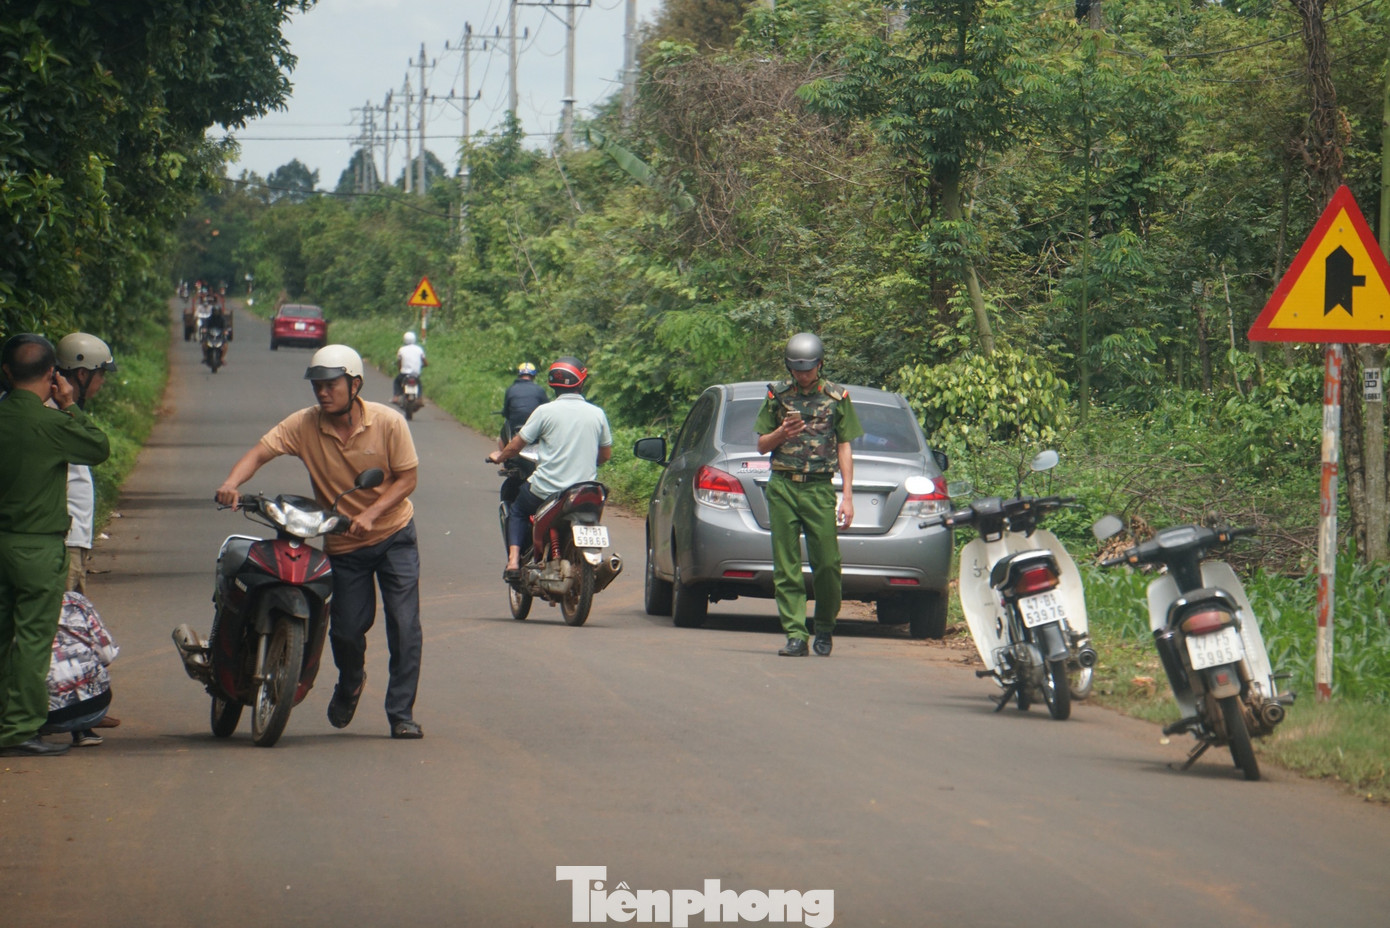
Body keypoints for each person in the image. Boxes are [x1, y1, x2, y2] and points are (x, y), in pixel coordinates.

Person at [214, 345, 425, 739]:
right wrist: (231, 484)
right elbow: (260, 453)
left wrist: (371, 514)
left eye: (331, 385)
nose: (323, 393)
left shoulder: (389, 422)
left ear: (355, 385)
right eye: (318, 386)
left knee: (405, 624)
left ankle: (401, 714)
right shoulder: (305, 424)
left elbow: (407, 479)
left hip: (393, 534)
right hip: (345, 544)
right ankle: (351, 681)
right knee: (345, 630)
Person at [0, 334, 111, 757]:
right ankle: (20, 727)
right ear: (52, 375)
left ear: (6, 372)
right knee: (33, 638)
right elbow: (98, 447)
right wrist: (69, 406)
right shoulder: (52, 424)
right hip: (37, 548)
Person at [754, 333, 863, 658]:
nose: (803, 376)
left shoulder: (837, 397)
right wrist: (781, 433)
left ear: (820, 364)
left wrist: (847, 496)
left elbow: (844, 445)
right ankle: (795, 634)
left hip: (818, 487)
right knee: (786, 565)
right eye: (797, 370)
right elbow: (761, 445)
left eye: (808, 369)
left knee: (827, 564)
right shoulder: (776, 395)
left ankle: (825, 626)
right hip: (783, 485)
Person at [487, 357, 612, 579]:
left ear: (553, 384)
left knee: (518, 510)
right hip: (585, 490)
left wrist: (500, 456)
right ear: (581, 382)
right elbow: (604, 455)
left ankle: (513, 562)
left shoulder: (544, 412)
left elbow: (516, 446)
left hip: (546, 490)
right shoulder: (597, 413)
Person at [54, 333, 118, 595]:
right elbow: (98, 447)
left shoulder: (64, 410)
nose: (102, 382)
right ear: (82, 374)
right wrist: (70, 406)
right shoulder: (57, 413)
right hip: (65, 538)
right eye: (100, 374)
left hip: (72, 535)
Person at [42, 592, 118, 747]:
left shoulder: (12, 604)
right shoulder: (74, 600)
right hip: (95, 707)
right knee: (82, 664)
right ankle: (83, 730)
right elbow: (107, 654)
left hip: (43, 717)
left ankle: (26, 733)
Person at [498, 361, 548, 449]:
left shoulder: (511, 389)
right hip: (535, 425)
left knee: (502, 436)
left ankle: (502, 454)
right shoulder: (539, 390)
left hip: (515, 426)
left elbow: (506, 411)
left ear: (519, 374)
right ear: (534, 376)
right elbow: (547, 409)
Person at [392, 331, 427, 404]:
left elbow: (399, 362)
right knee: (419, 384)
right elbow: (425, 362)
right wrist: (423, 365)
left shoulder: (402, 349)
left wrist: (400, 369)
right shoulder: (419, 349)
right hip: (415, 374)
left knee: (397, 381)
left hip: (404, 374)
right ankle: (420, 398)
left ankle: (396, 397)